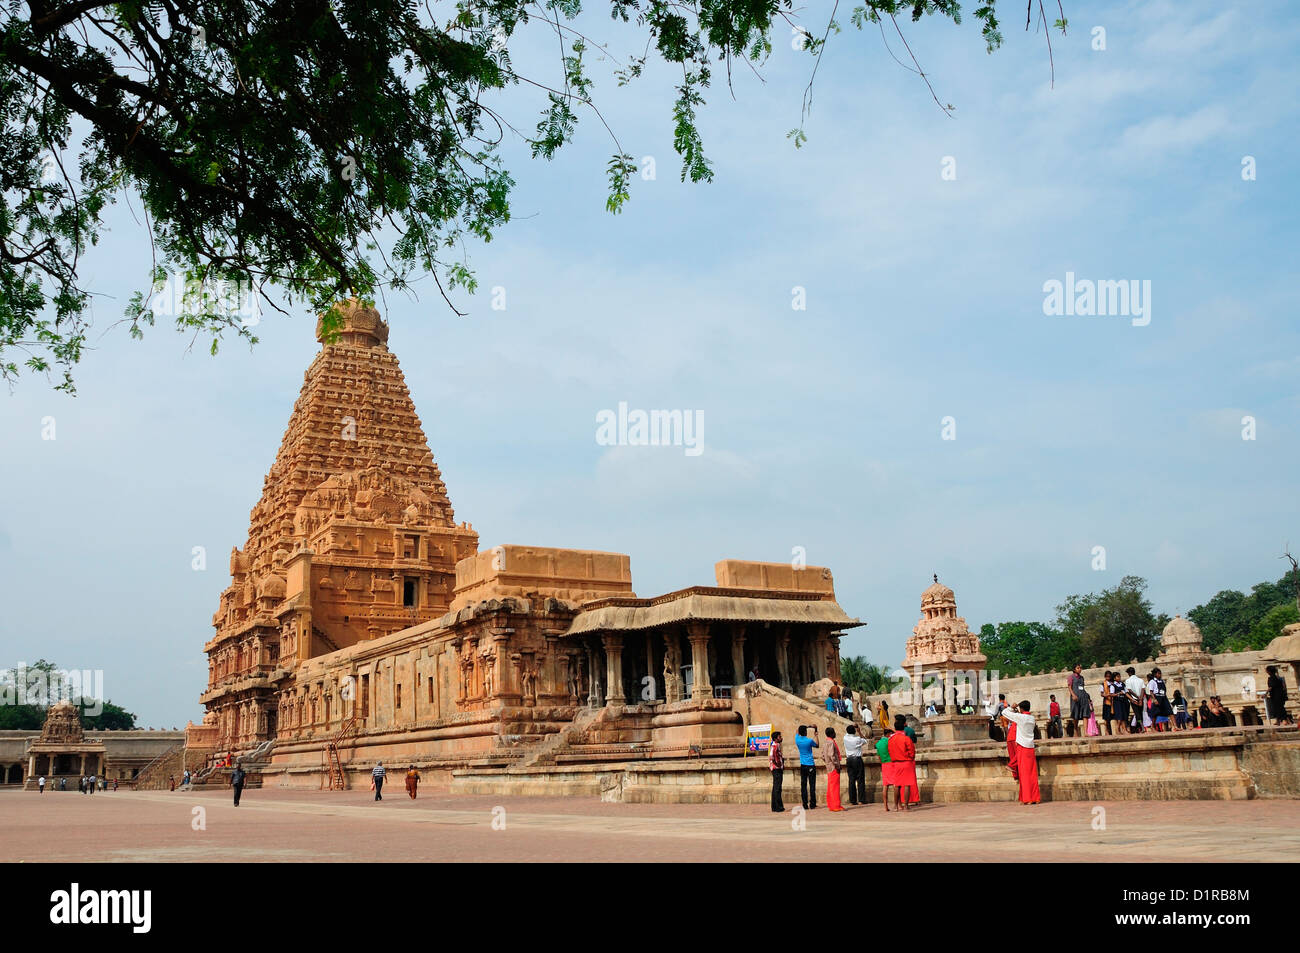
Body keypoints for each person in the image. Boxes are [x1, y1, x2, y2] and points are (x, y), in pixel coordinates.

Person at [1001, 701, 1041, 805]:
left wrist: (1012, 707)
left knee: (1024, 775)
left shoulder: (1020, 717)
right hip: (1030, 747)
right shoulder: (1032, 718)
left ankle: (1027, 798)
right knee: (1032, 774)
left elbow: (1004, 713)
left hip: (1022, 747)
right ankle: (1034, 797)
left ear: (1021, 709)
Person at [887, 715, 918, 810]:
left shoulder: (891, 739)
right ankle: (906, 806)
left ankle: (896, 805)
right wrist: (910, 758)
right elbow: (912, 752)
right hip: (906, 762)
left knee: (897, 785)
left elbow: (890, 751)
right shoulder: (906, 739)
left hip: (896, 763)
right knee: (907, 785)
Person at [795, 725, 819, 810]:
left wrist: (806, 726)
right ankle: (812, 804)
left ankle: (804, 804)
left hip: (803, 765)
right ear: (805, 732)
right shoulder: (809, 741)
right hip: (810, 764)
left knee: (803, 785)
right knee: (812, 785)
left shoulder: (797, 740)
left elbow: (797, 730)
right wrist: (816, 734)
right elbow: (817, 745)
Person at [843, 724, 867, 806]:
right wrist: (859, 731)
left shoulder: (845, 738)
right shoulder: (857, 739)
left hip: (849, 760)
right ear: (854, 731)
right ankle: (861, 799)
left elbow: (847, 732)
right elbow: (865, 740)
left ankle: (852, 800)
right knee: (860, 780)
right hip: (857, 759)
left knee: (851, 780)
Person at [1067, 664, 1092, 736]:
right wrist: (1073, 695)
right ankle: (1075, 730)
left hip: (1083, 696)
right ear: (1074, 669)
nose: (1080, 669)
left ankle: (1086, 732)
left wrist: (1087, 697)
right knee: (1076, 714)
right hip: (1075, 697)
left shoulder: (1082, 678)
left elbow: (1082, 687)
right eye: (1078, 668)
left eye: (1080, 668)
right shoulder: (1071, 677)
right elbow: (1069, 687)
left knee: (1085, 714)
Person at [823, 726, 844, 812]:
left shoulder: (825, 742)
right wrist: (836, 765)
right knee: (835, 787)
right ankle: (836, 805)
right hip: (833, 767)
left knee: (831, 786)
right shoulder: (831, 743)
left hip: (829, 766)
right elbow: (832, 755)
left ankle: (832, 805)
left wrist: (828, 763)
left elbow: (823, 756)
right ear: (832, 734)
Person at [875, 727, 894, 811]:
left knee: (885, 786)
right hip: (891, 763)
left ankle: (886, 806)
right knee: (895, 785)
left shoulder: (878, 743)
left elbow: (878, 756)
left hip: (884, 764)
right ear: (888, 734)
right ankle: (898, 804)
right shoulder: (889, 741)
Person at [1124, 667, 1145, 733]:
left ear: (1129, 673)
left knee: (1137, 714)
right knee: (1140, 713)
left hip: (1134, 699)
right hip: (1141, 699)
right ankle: (1140, 727)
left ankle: (1141, 727)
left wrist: (1136, 697)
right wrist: (1140, 698)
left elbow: (1129, 690)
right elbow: (1143, 689)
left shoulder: (1128, 680)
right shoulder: (1140, 680)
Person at [769, 729, 785, 812]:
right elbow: (772, 757)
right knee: (777, 788)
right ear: (775, 739)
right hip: (776, 769)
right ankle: (778, 807)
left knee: (776, 787)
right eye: (779, 737)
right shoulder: (775, 746)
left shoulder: (776, 745)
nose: (781, 738)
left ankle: (775, 806)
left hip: (776, 769)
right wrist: (778, 764)